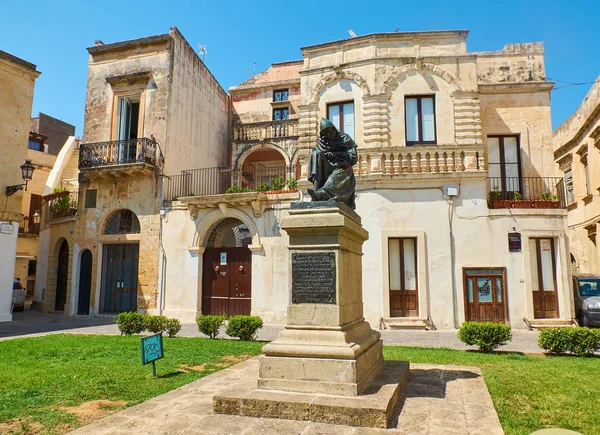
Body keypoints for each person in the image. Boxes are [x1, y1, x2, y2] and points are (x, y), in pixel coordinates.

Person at [307, 118, 358, 209]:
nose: (329, 135)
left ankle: (321, 194)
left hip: (342, 167)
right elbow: (316, 152)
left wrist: (336, 154)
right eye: (326, 133)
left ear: (334, 129)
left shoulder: (344, 138)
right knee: (316, 153)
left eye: (331, 132)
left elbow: (353, 158)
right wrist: (325, 155)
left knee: (339, 173)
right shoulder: (322, 142)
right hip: (326, 168)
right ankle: (317, 189)